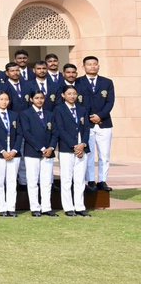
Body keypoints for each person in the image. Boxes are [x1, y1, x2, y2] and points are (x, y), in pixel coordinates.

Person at [76, 56, 113, 192]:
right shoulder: (78, 82)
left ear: (98, 66)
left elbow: (110, 102)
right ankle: (90, 180)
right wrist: (89, 117)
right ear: (84, 67)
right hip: (86, 124)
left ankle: (102, 180)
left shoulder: (107, 82)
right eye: (89, 64)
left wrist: (100, 116)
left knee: (104, 155)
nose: (92, 66)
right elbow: (76, 102)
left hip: (104, 123)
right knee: (89, 154)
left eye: (94, 64)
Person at [20, 90, 58, 217]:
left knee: (47, 181)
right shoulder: (25, 114)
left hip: (48, 152)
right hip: (32, 152)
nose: (39, 100)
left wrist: (51, 147)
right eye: (36, 98)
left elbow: (55, 133)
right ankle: (35, 207)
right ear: (31, 99)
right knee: (32, 181)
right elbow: (27, 133)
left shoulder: (50, 114)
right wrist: (41, 148)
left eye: (41, 98)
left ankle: (46, 207)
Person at [55, 85, 91, 217]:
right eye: (69, 94)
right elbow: (60, 129)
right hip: (67, 149)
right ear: (63, 95)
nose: (72, 96)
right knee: (66, 179)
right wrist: (74, 146)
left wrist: (83, 144)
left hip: (82, 149)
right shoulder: (59, 109)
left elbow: (86, 129)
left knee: (80, 180)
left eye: (74, 93)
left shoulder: (82, 109)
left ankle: (80, 207)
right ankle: (68, 207)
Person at [0, 91, 22, 217]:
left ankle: (11, 208)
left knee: (12, 182)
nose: (4, 101)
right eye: (1, 99)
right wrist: (2, 151)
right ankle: (2, 208)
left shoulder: (14, 115)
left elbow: (19, 134)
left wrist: (14, 150)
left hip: (13, 154)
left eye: (6, 99)